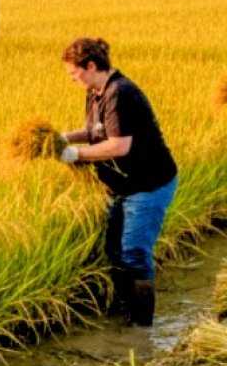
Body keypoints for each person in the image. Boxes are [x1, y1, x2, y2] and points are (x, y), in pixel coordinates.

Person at [58, 38, 177, 327]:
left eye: (74, 72)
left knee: (134, 252)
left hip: (148, 185)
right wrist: (61, 138)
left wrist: (76, 155)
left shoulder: (120, 93)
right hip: (121, 186)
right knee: (113, 249)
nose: (71, 78)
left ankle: (141, 324)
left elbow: (118, 146)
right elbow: (94, 130)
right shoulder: (95, 91)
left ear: (90, 65)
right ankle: (124, 310)